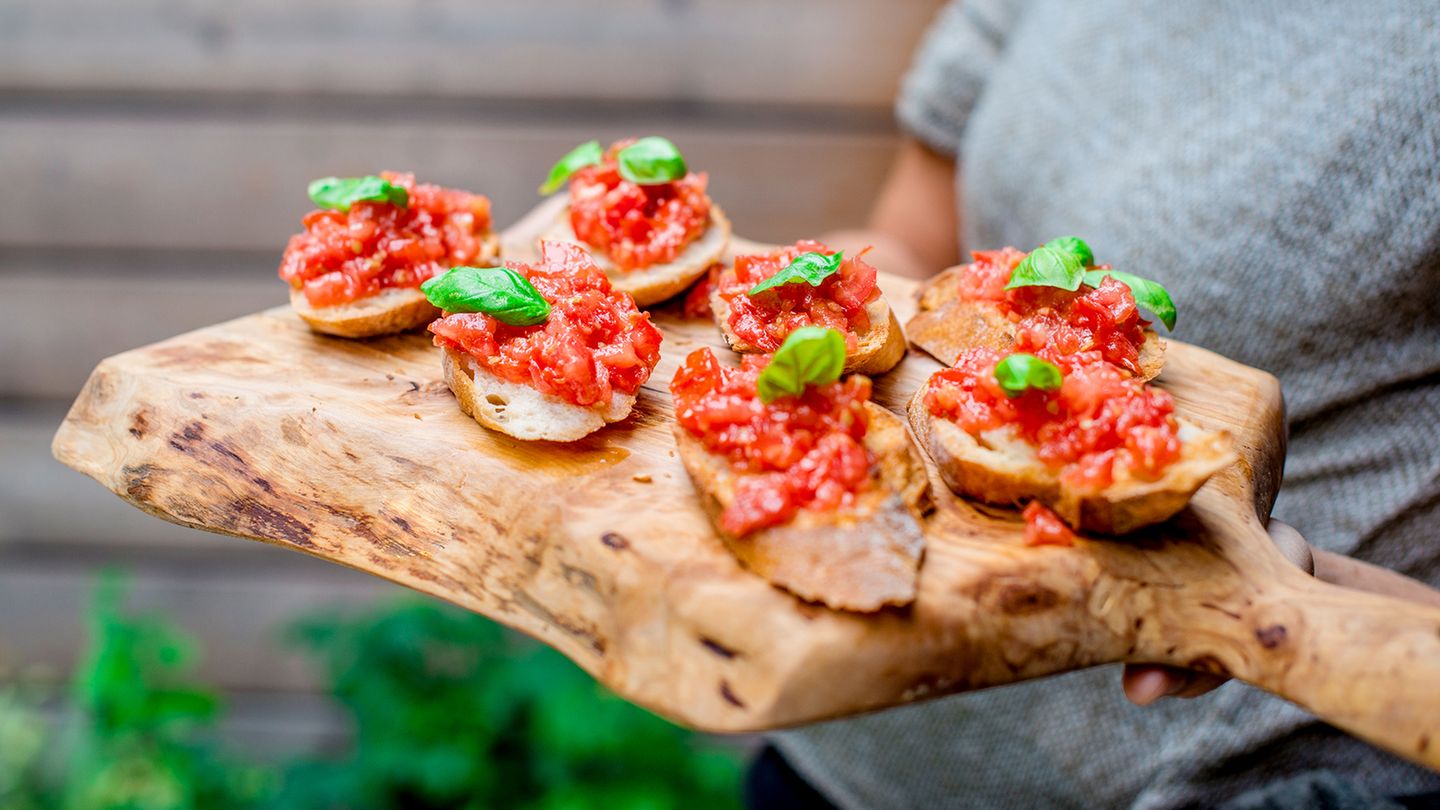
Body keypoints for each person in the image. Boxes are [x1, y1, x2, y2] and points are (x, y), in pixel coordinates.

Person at [750, 1, 1440, 807]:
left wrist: (1305, 593)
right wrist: (811, 304)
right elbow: (907, 249)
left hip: (1236, 777)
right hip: (849, 732)